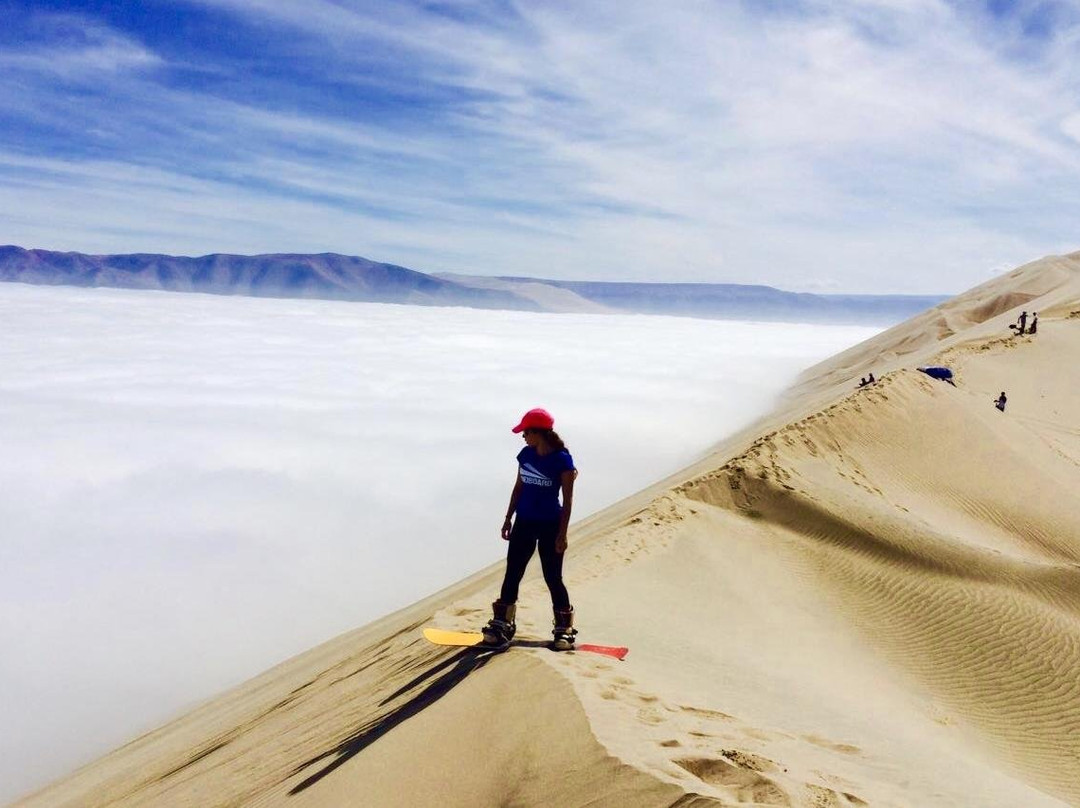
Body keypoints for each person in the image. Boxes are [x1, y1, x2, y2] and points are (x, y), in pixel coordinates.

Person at [483, 407, 578, 651]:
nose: (523, 436)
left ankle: (564, 629)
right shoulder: (525, 455)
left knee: (552, 577)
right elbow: (518, 488)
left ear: (538, 432)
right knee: (513, 573)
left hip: (550, 525)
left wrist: (562, 534)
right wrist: (508, 518)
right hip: (524, 523)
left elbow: (567, 502)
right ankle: (502, 624)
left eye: (526, 432)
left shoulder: (562, 461)